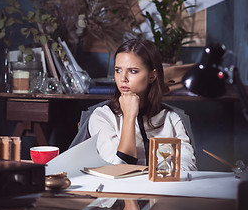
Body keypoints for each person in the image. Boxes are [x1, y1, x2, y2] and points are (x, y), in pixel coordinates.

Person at [74, 39, 197, 171]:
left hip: (163, 190)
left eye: (133, 71)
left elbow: (187, 168)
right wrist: (129, 116)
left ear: (152, 76)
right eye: (118, 70)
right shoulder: (102, 116)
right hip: (117, 191)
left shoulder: (172, 118)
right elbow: (119, 169)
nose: (123, 78)